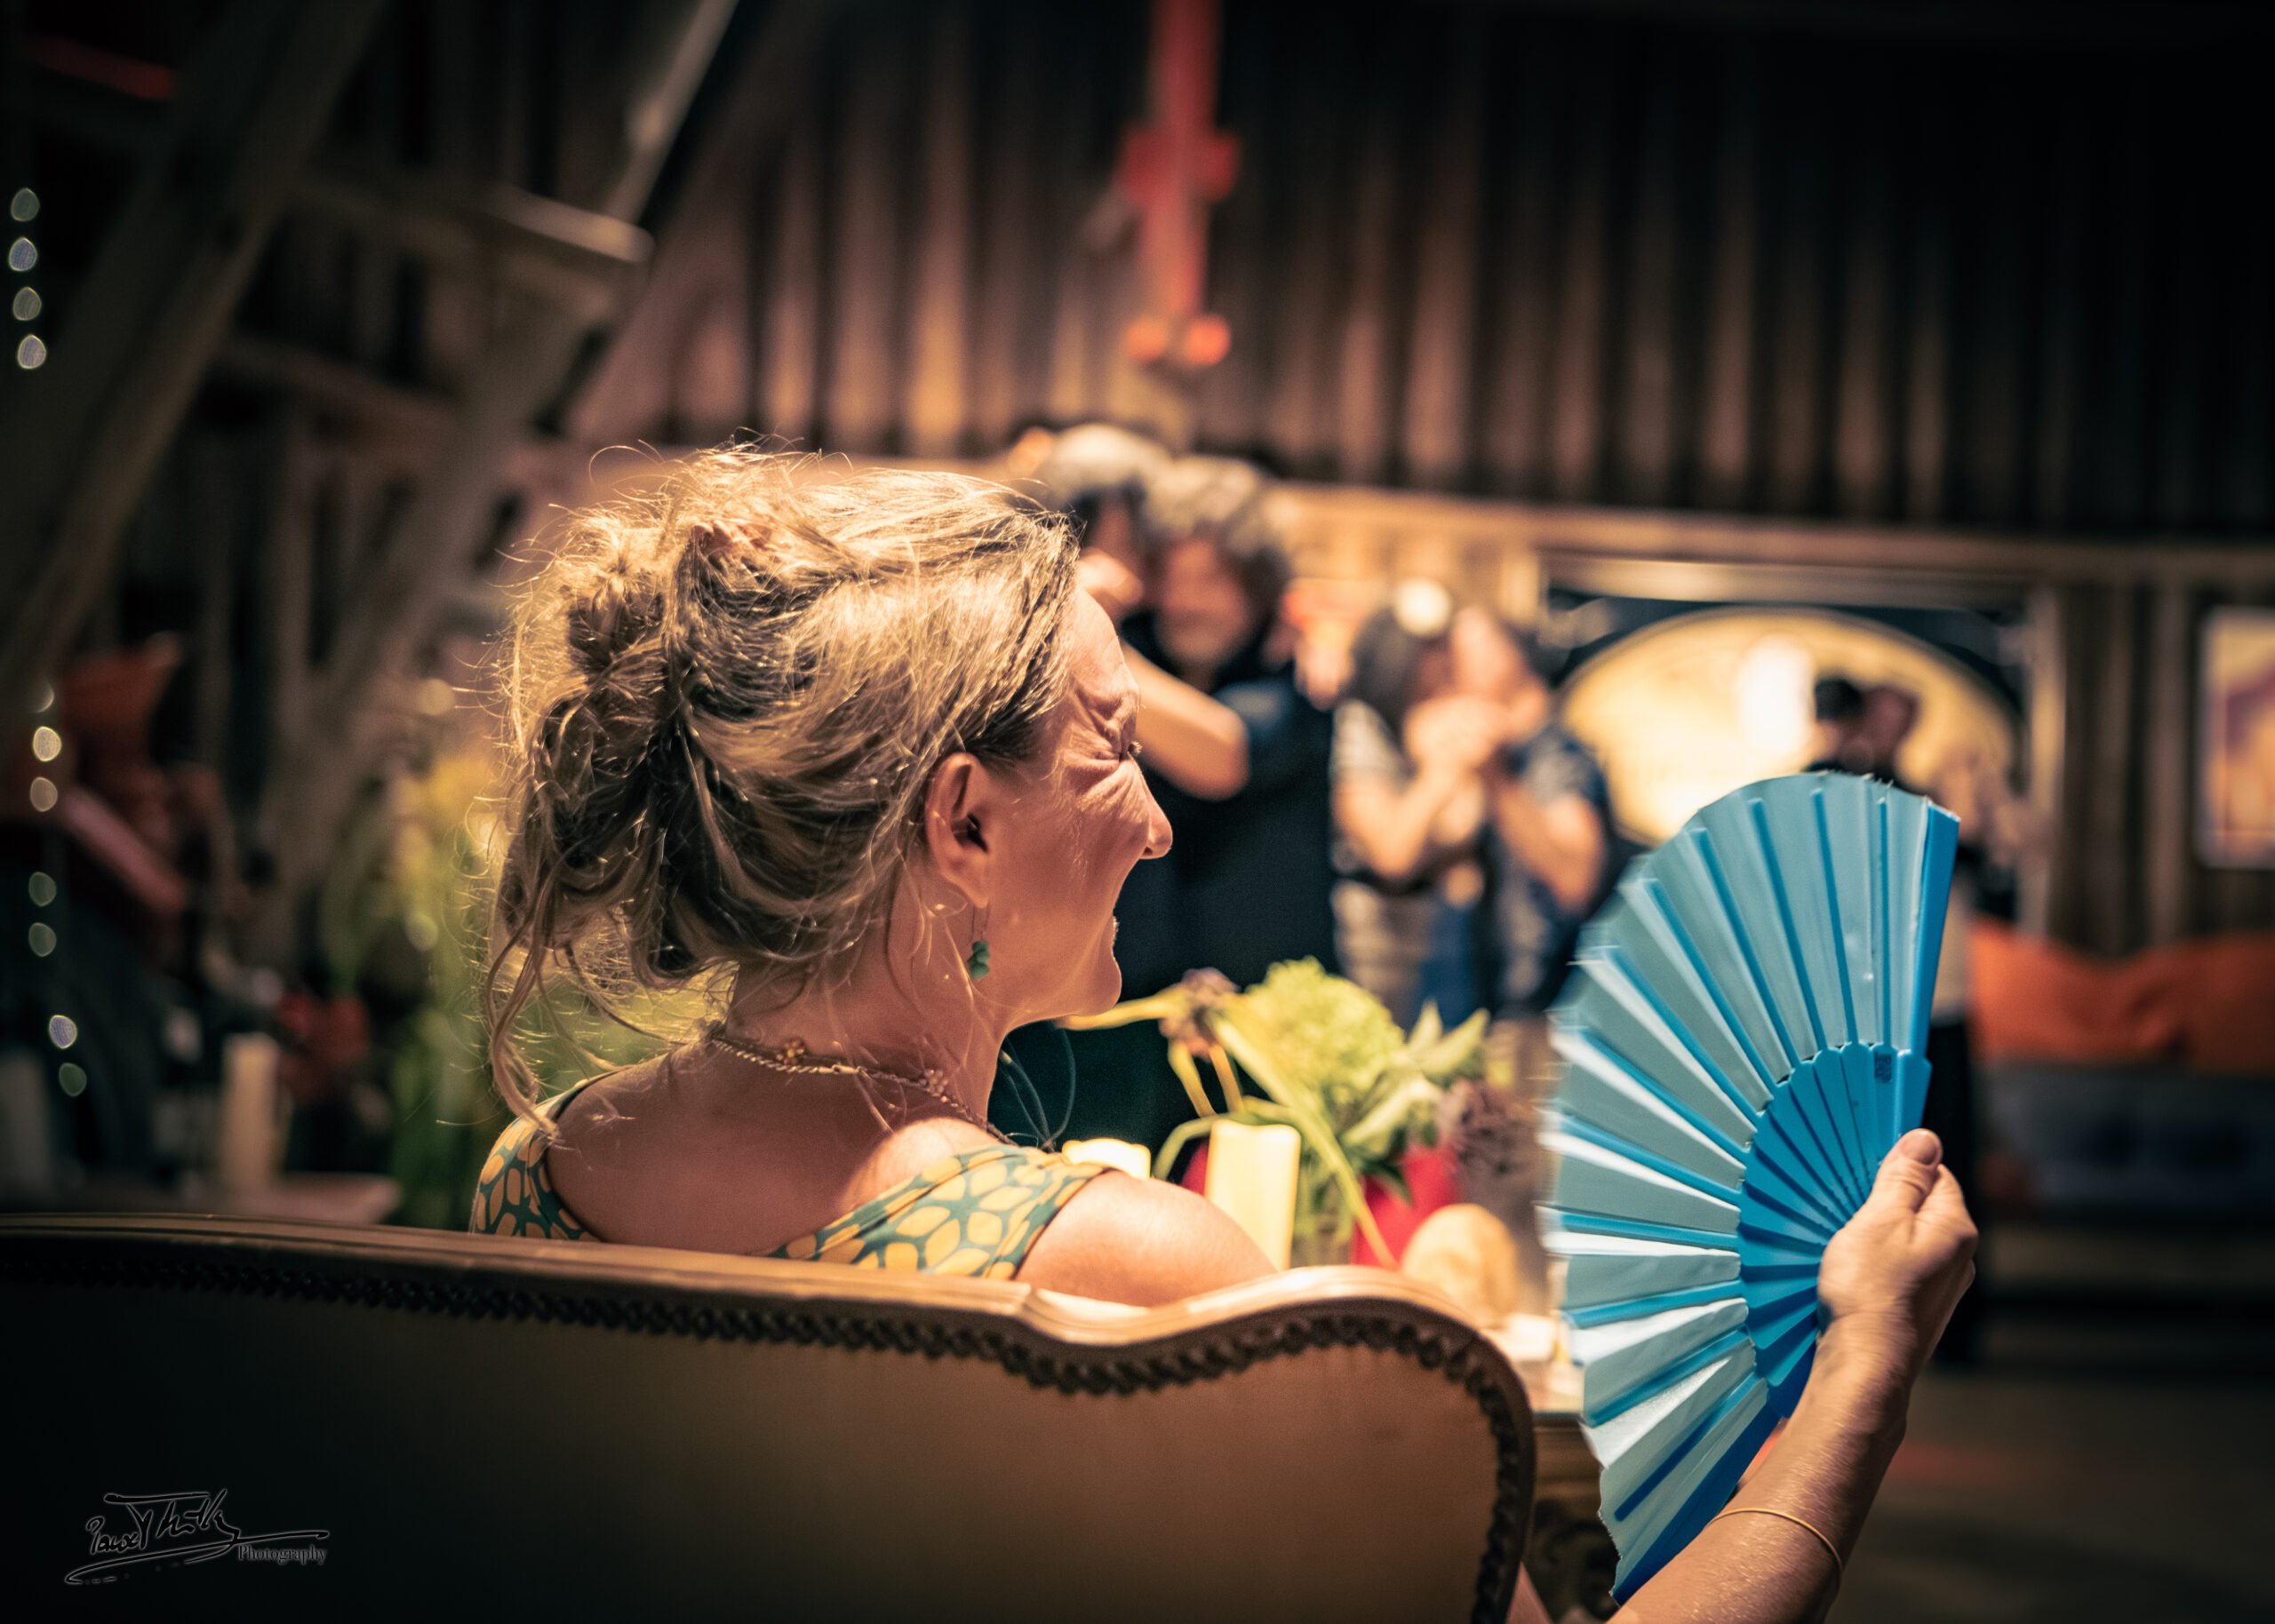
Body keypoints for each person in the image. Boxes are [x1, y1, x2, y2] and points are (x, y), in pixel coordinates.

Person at [466, 451, 1976, 1623]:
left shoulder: (536, 1180)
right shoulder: (1133, 1277)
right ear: (965, 822)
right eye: (1116, 747)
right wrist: (1866, 1360)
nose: (1161, 822)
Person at [1060, 452, 1339, 1149]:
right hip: (1133, 1023)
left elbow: (1223, 755)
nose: (1185, 601)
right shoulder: (1145, 645)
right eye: (1171, 576)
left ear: (1258, 584)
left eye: (1211, 579)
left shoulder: (1290, 671)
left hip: (1262, 1029)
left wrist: (1084, 633)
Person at [1330, 580, 1493, 1026]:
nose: (1447, 666)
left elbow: (1461, 834)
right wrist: (1443, 766)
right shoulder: (1359, 725)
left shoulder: (1425, 724)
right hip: (1373, 952)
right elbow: (1392, 853)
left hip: (1437, 946)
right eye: (1434, 652)